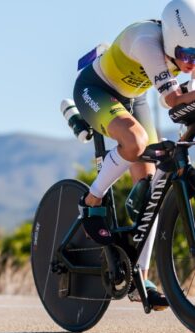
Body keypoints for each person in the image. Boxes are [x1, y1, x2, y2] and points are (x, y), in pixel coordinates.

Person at [73, 0, 195, 311]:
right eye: (187, 56)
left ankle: (139, 278)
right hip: (96, 90)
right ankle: (92, 201)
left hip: (132, 97)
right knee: (135, 142)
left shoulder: (184, 47)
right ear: (170, 39)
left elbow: (184, 108)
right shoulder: (147, 42)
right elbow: (173, 100)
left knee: (150, 192)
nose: (190, 65)